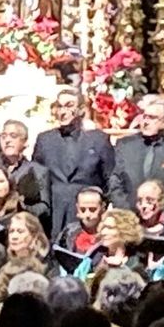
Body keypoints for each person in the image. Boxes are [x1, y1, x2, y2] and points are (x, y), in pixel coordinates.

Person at [33, 86, 115, 234]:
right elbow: (37, 178)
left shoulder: (98, 139)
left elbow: (110, 177)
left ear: (81, 109)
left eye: (69, 106)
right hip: (54, 212)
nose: (62, 112)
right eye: (59, 106)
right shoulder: (44, 140)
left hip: (87, 212)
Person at [107, 93, 164, 217]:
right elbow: (115, 183)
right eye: (144, 117)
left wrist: (163, 217)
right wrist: (126, 213)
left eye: (152, 118)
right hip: (128, 220)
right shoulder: (125, 146)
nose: (145, 122)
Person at [0, 118, 50, 226]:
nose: (7, 140)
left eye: (13, 136)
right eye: (3, 136)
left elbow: (45, 207)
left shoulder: (37, 171)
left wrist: (22, 209)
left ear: (25, 142)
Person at [54, 187, 108, 257]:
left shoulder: (110, 233)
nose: (87, 215)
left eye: (92, 209)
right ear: (77, 209)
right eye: (83, 210)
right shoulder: (69, 232)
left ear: (102, 208)